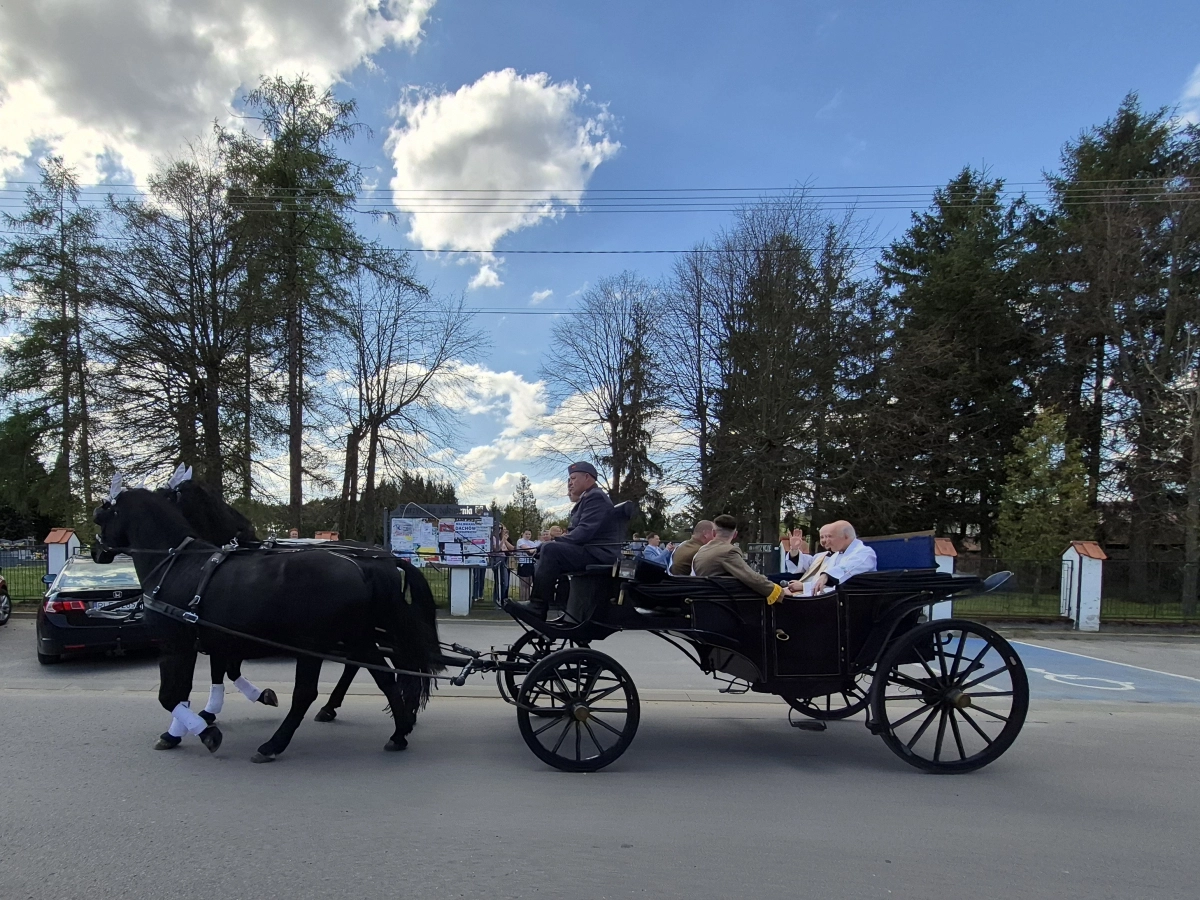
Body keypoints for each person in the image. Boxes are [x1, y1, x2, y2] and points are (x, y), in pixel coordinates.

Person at [518, 461, 625, 621]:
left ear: (587, 477)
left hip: (599, 554)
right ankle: (558, 605)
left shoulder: (595, 497)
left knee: (551, 550)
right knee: (548, 549)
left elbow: (583, 532)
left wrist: (553, 543)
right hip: (592, 551)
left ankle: (537, 607)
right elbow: (578, 533)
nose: (569, 483)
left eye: (573, 478)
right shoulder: (587, 498)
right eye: (569, 479)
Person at [691, 515, 784, 604]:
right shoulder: (728, 551)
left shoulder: (701, 550)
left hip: (705, 601)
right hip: (724, 604)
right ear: (735, 534)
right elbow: (751, 578)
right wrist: (779, 592)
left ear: (714, 533)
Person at [787, 520, 876, 595]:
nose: (827, 541)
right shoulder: (836, 554)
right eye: (822, 537)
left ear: (846, 536)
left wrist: (826, 576)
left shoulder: (865, 552)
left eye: (830, 536)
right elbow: (807, 563)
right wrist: (794, 549)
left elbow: (849, 568)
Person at [515, 529, 540, 601]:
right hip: (523, 563)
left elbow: (535, 550)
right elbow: (529, 550)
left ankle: (527, 600)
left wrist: (534, 550)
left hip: (530, 563)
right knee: (524, 584)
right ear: (523, 534)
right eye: (526, 534)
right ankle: (523, 600)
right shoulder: (520, 541)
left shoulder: (531, 542)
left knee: (529, 584)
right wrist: (534, 550)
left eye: (529, 534)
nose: (528, 535)